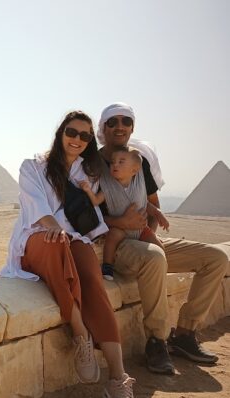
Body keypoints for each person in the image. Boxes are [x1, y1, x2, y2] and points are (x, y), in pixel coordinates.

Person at [0, 110, 135, 398]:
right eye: (71, 132)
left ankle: (118, 377)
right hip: (35, 239)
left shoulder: (87, 175)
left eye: (84, 136)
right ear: (60, 132)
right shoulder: (33, 167)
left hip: (71, 241)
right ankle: (80, 333)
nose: (77, 139)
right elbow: (37, 207)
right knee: (57, 243)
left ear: (89, 141)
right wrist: (55, 229)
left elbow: (92, 216)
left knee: (92, 277)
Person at [97, 102, 227, 375]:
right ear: (103, 128)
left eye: (126, 121)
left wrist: (149, 233)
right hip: (113, 244)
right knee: (155, 257)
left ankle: (185, 334)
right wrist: (120, 223)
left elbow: (153, 205)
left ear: (132, 128)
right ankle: (156, 341)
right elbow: (81, 217)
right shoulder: (92, 165)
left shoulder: (139, 162)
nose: (120, 126)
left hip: (142, 239)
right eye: (112, 122)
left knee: (216, 257)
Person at [79, 146, 169, 281]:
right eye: (112, 162)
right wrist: (88, 191)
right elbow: (96, 201)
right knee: (112, 237)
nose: (115, 165)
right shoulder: (108, 188)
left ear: (134, 170)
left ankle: (162, 270)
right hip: (119, 228)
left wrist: (158, 214)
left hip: (141, 230)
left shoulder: (137, 187)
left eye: (121, 162)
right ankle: (107, 266)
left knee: (159, 248)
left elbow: (145, 204)